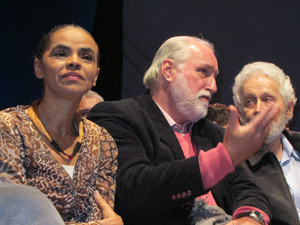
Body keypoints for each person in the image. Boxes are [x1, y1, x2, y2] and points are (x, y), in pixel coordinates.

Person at [88, 36, 280, 225]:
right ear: (168, 70)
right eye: (203, 72)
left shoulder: (211, 132)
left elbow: (248, 188)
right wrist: (220, 160)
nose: (213, 87)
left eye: (215, 77)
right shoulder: (118, 116)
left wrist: (250, 218)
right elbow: (133, 189)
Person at [0, 24, 123, 225]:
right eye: (61, 53)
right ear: (38, 68)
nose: (75, 62)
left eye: (86, 57)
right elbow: (14, 214)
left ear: (96, 76)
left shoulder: (102, 139)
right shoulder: (8, 127)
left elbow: (103, 215)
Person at [232, 61, 300, 225]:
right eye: (249, 101)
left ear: (289, 109)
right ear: (240, 113)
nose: (258, 109)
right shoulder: (233, 164)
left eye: (267, 99)